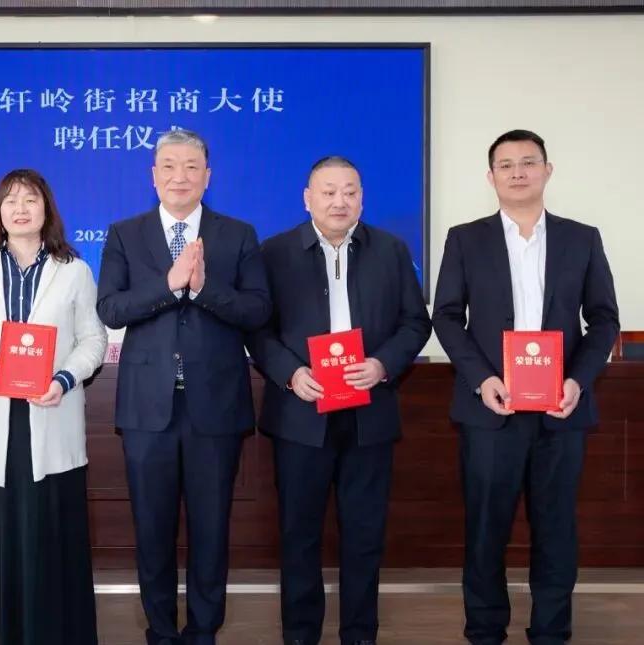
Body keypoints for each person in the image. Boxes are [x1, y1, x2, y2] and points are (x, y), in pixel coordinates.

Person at [431, 129, 620, 645]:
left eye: (529, 162)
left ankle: (552, 631)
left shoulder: (582, 238)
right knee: (486, 528)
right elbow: (446, 316)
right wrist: (482, 379)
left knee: (556, 528)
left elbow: (603, 319)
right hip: (492, 409)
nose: (518, 172)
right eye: (506, 164)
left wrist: (578, 380)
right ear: (491, 176)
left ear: (547, 170)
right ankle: (485, 630)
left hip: (562, 410)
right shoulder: (466, 239)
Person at [96, 129, 271, 645]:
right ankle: (160, 630)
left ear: (207, 176)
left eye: (192, 166)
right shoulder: (125, 234)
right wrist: (169, 284)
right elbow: (111, 308)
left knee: (211, 527)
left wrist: (204, 288)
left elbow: (257, 309)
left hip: (215, 407)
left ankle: (203, 630)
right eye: (169, 166)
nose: (180, 176)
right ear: (153, 176)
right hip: (147, 409)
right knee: (152, 527)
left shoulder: (237, 234)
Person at [247, 156, 431, 645]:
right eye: (328, 192)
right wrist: (291, 373)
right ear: (307, 199)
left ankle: (360, 633)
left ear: (362, 199)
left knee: (365, 534)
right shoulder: (275, 252)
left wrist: (382, 364)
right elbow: (257, 329)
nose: (339, 201)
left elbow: (416, 322)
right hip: (301, 415)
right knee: (299, 535)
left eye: (349, 192)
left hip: (369, 415)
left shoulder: (390, 250)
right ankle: (300, 633)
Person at [0, 168, 107, 645]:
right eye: (11, 200)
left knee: (51, 538)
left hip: (52, 416)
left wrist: (63, 378)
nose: (20, 208)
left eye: (30, 199)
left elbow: (93, 340)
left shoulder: (73, 270)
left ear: (46, 209)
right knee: (4, 539)